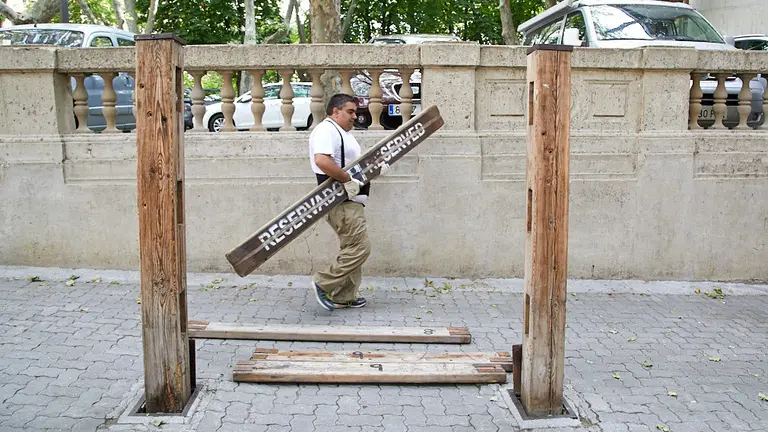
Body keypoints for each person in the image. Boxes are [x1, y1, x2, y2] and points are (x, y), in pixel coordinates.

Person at [308, 93, 383, 311]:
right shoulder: (326, 129)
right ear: (335, 111)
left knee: (352, 247)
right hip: (341, 202)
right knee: (360, 247)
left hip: (352, 201)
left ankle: (344, 296)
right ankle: (322, 282)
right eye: (350, 112)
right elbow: (322, 160)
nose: (355, 117)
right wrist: (347, 180)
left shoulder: (342, 133)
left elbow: (352, 165)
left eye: (355, 112)